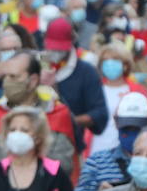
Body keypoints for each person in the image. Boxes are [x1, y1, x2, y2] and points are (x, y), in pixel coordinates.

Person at [0, 52, 76, 191]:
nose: (6, 82)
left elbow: (65, 165)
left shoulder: (56, 114)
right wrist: (6, 178)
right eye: (5, 76)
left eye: (14, 77)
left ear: (33, 80)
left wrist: (29, 175)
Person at [41, 18, 108, 149]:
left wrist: (67, 121)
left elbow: (100, 113)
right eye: (52, 48)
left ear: (72, 41)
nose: (56, 53)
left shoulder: (86, 72)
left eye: (60, 49)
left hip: (69, 147)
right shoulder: (34, 65)